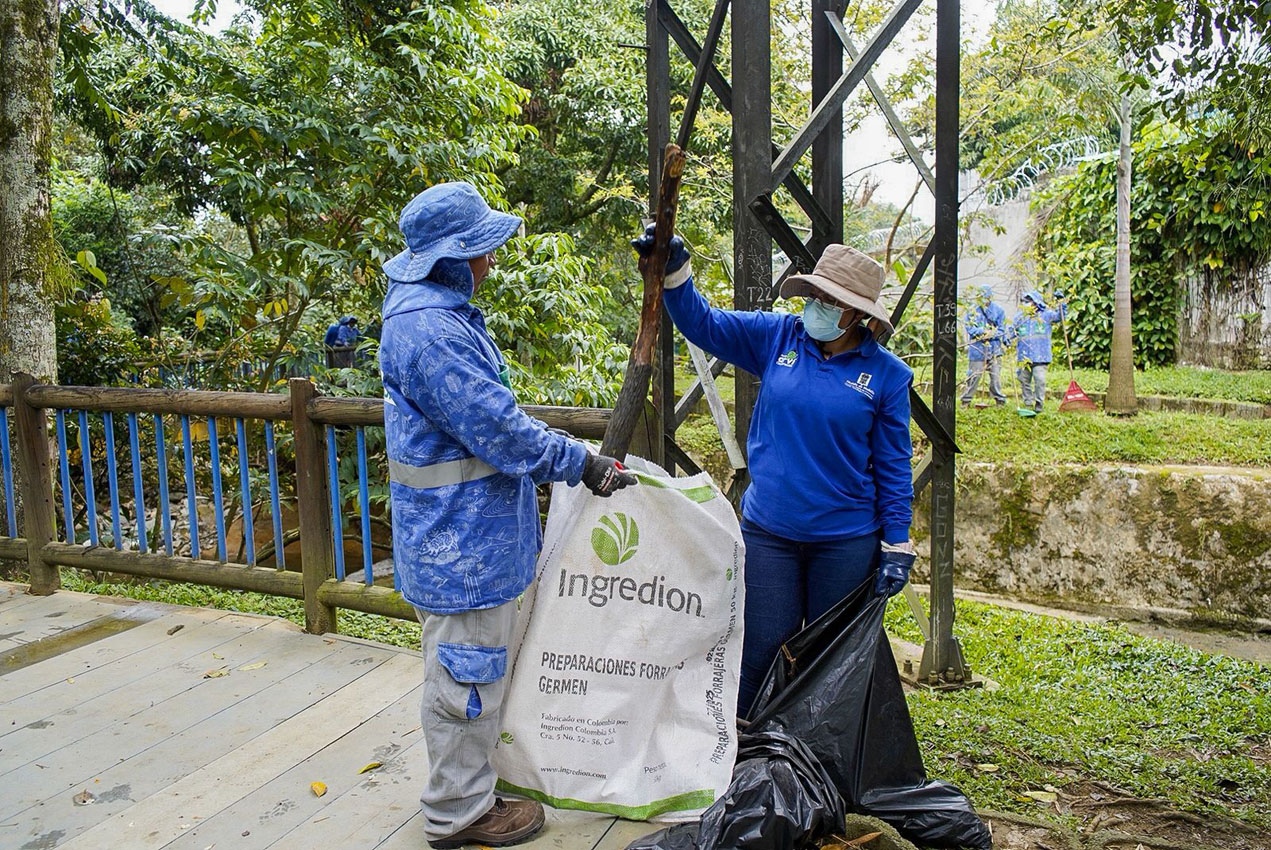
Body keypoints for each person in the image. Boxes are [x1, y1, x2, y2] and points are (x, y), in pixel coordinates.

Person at [379, 182, 636, 849]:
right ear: (450, 258)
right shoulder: (431, 330)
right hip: (459, 544)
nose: (490, 264)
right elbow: (497, 427)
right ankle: (456, 813)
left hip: (461, 535)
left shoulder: (434, 311)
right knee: (465, 677)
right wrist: (580, 463)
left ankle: (468, 790)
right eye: (480, 252)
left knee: (469, 670)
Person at [634, 227, 916, 718]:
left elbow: (893, 467)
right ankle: (745, 753)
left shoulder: (888, 376)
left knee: (830, 660)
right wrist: (675, 270)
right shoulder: (778, 336)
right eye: (815, 295)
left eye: (831, 301)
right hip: (770, 535)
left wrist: (897, 544)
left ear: (857, 316)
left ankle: (817, 769)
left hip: (846, 543)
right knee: (760, 648)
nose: (817, 306)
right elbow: (704, 325)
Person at [1011, 289, 1067, 415]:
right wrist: (1006, 339)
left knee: (1039, 380)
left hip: (1041, 356)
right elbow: (1011, 331)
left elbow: (1060, 317)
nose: (1027, 304)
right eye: (1025, 301)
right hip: (1024, 356)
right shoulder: (1020, 317)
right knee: (1024, 380)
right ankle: (1028, 403)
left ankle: (1039, 404)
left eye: (1029, 301)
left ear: (1036, 303)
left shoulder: (1046, 315)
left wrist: (1061, 302)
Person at [960, 285, 1007, 407]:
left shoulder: (999, 310)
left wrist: (992, 334)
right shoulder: (972, 311)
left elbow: (1002, 329)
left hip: (995, 349)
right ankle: (966, 401)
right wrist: (982, 332)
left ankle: (999, 401)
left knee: (995, 378)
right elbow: (969, 328)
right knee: (973, 377)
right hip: (977, 349)